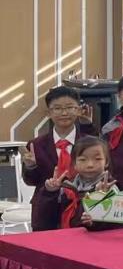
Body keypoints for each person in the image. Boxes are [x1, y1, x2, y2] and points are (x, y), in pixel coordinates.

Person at [22, 86, 95, 229]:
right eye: (57, 108)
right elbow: (31, 181)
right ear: (48, 113)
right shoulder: (35, 145)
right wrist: (31, 167)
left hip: (81, 209)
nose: (64, 113)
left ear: (78, 110)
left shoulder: (89, 142)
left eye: (70, 107)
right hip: (45, 209)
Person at [33, 136, 109, 231]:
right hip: (65, 238)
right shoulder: (66, 189)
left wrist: (95, 221)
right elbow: (44, 222)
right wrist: (50, 193)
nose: (90, 165)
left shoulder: (111, 188)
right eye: (83, 159)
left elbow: (115, 225)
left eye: (97, 159)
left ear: (106, 162)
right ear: (74, 164)